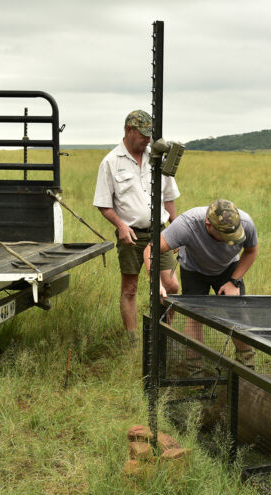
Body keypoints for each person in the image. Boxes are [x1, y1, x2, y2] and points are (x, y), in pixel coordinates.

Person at [93, 110, 180, 343]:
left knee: (171, 286)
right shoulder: (111, 162)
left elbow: (169, 198)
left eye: (150, 135)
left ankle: (163, 333)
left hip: (161, 234)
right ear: (129, 130)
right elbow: (103, 204)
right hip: (131, 235)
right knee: (130, 289)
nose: (148, 140)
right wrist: (120, 226)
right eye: (143, 135)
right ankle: (132, 340)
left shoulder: (157, 159)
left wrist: (177, 229)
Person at [145, 199, 258, 368]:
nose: (230, 240)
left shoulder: (246, 223)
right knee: (195, 315)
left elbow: (251, 251)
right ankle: (195, 369)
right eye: (225, 235)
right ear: (208, 224)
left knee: (238, 313)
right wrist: (156, 283)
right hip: (194, 269)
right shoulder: (187, 224)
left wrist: (234, 281)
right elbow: (150, 249)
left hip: (228, 268)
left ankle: (247, 366)